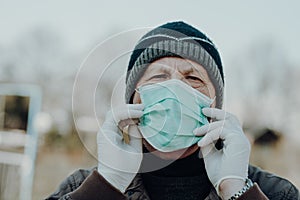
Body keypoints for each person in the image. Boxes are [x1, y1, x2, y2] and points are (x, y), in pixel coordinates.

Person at [46, 21, 299, 200]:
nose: (175, 88)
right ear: (133, 99)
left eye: (193, 79)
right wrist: (108, 185)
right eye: (159, 77)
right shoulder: (82, 187)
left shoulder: (273, 192)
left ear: (215, 104)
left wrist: (236, 190)